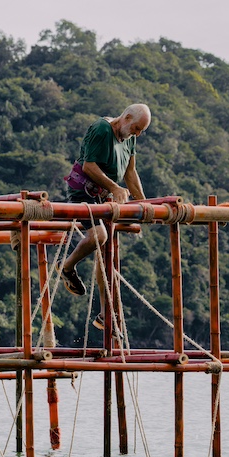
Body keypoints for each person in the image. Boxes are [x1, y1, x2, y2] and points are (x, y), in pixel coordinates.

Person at [60, 103, 151, 329]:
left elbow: (130, 173)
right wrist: (116, 188)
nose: (137, 134)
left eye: (141, 131)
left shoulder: (130, 138)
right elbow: (89, 166)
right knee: (99, 236)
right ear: (127, 117)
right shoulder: (102, 129)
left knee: (106, 253)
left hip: (104, 196)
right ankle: (66, 267)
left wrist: (144, 204)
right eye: (137, 128)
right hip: (84, 191)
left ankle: (104, 313)